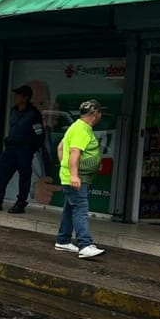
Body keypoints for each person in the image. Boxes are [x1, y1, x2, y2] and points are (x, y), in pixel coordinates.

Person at [54, 99, 105, 260]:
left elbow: (60, 148)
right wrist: (74, 174)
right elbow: (75, 152)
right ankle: (85, 244)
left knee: (70, 209)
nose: (101, 115)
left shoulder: (76, 126)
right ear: (95, 114)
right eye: (100, 112)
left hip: (72, 176)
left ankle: (63, 240)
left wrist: (65, 167)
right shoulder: (82, 130)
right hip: (77, 178)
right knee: (80, 209)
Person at [0, 84, 46, 213]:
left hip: (24, 150)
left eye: (18, 95)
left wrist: (30, 149)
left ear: (25, 98)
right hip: (11, 148)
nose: (15, 98)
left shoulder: (34, 114)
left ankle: (21, 203)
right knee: (1, 174)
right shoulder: (14, 110)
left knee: (24, 178)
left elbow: (39, 134)